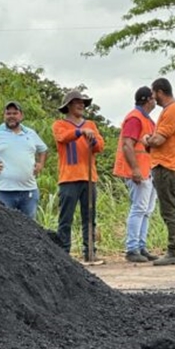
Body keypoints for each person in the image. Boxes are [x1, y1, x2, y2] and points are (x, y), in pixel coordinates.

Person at [51, 89, 106, 263]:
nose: (81, 105)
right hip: (68, 178)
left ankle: (90, 251)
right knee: (66, 217)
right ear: (69, 106)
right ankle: (63, 253)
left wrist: (93, 140)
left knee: (89, 217)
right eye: (77, 102)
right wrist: (79, 133)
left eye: (83, 103)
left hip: (89, 177)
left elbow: (100, 146)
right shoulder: (59, 124)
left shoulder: (91, 125)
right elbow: (62, 137)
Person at [0, 100, 47, 219]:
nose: (11, 116)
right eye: (8, 113)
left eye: (15, 113)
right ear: (4, 116)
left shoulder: (30, 133)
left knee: (29, 228)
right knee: (3, 226)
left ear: (21, 115)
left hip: (29, 192)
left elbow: (43, 149)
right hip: (2, 192)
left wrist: (41, 164)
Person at [142, 78, 175, 266]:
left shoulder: (171, 111)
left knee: (169, 210)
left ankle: (174, 250)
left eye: (153, 93)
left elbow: (158, 140)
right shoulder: (173, 109)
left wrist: (146, 139)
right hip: (169, 165)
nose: (152, 98)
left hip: (166, 165)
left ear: (160, 92)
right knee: (169, 208)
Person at [114, 86, 159, 263]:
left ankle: (141, 246)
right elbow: (127, 145)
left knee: (146, 210)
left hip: (147, 170)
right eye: (153, 98)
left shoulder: (147, 119)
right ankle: (132, 248)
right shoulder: (135, 118)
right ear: (147, 100)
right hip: (138, 171)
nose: (155, 100)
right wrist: (135, 169)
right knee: (139, 208)